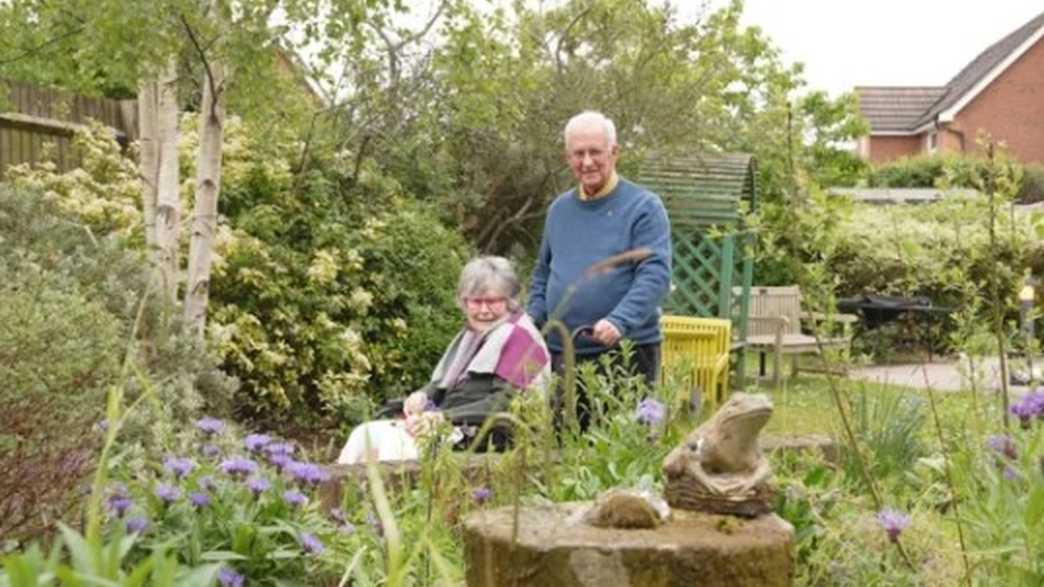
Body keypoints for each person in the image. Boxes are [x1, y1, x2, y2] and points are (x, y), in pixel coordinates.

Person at [526, 110, 671, 419]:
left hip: (626, 356)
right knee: (563, 448)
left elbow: (655, 275)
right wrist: (531, 323)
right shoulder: (559, 210)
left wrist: (620, 320)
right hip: (562, 354)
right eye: (579, 153)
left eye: (596, 152)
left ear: (614, 153)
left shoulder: (644, 207)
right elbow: (542, 274)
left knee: (624, 451)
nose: (587, 161)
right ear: (568, 158)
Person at [337, 256, 550, 465]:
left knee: (397, 444)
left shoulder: (521, 337)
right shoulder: (475, 334)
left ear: (510, 301)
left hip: (492, 437)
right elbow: (446, 383)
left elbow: (503, 404)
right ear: (464, 302)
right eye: (476, 301)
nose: (484, 310)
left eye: (492, 301)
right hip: (453, 425)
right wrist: (422, 396)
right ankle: (346, 496)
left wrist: (441, 418)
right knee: (363, 435)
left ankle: (388, 499)